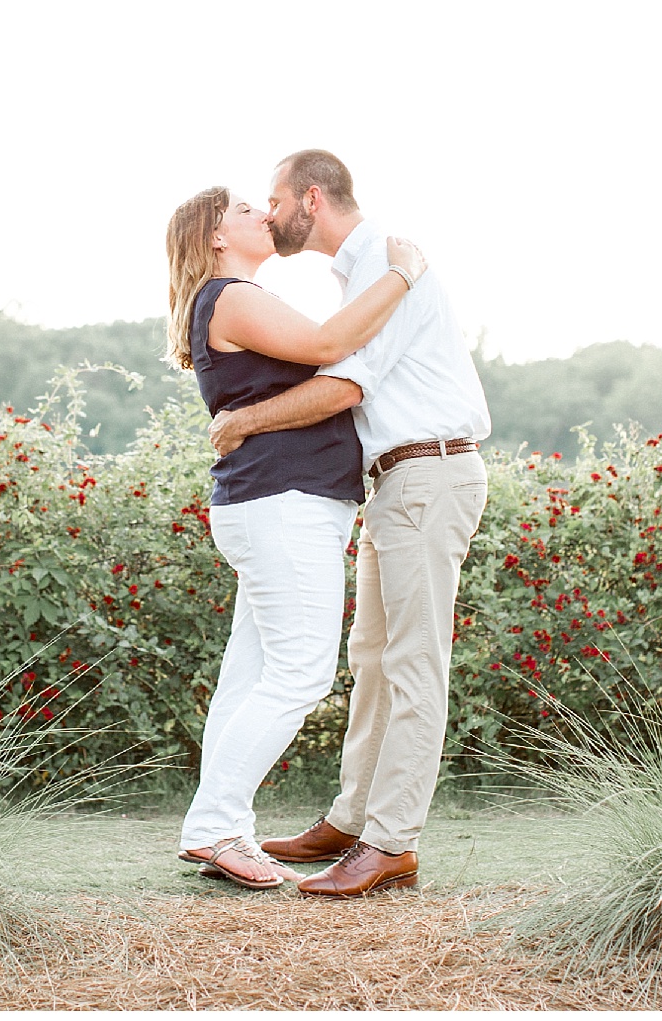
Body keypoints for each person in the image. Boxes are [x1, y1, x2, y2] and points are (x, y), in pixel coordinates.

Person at [211, 150, 491, 897]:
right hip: (393, 480)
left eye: (273, 200)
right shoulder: (359, 272)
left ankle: (391, 840)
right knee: (371, 654)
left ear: (311, 196)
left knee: (412, 661)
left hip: (428, 470)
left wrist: (242, 422)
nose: (267, 214)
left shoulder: (387, 265)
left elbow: (343, 384)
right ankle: (351, 815)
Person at [164, 184, 429, 889]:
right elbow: (330, 344)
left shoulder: (229, 297)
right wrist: (403, 274)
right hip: (283, 505)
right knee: (300, 672)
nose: (263, 215)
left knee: (250, 674)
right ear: (217, 236)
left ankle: (221, 826)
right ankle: (214, 826)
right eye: (246, 210)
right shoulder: (229, 295)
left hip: (269, 505)